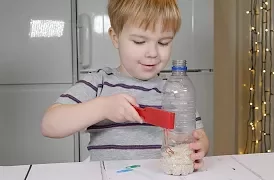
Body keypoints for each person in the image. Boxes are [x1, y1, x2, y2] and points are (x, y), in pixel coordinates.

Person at [41, 0, 209, 170]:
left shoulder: (174, 90)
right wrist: (103, 108)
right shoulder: (99, 83)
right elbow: (50, 125)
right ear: (115, 38)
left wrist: (200, 147)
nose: (152, 53)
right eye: (139, 41)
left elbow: (198, 136)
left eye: (163, 42)